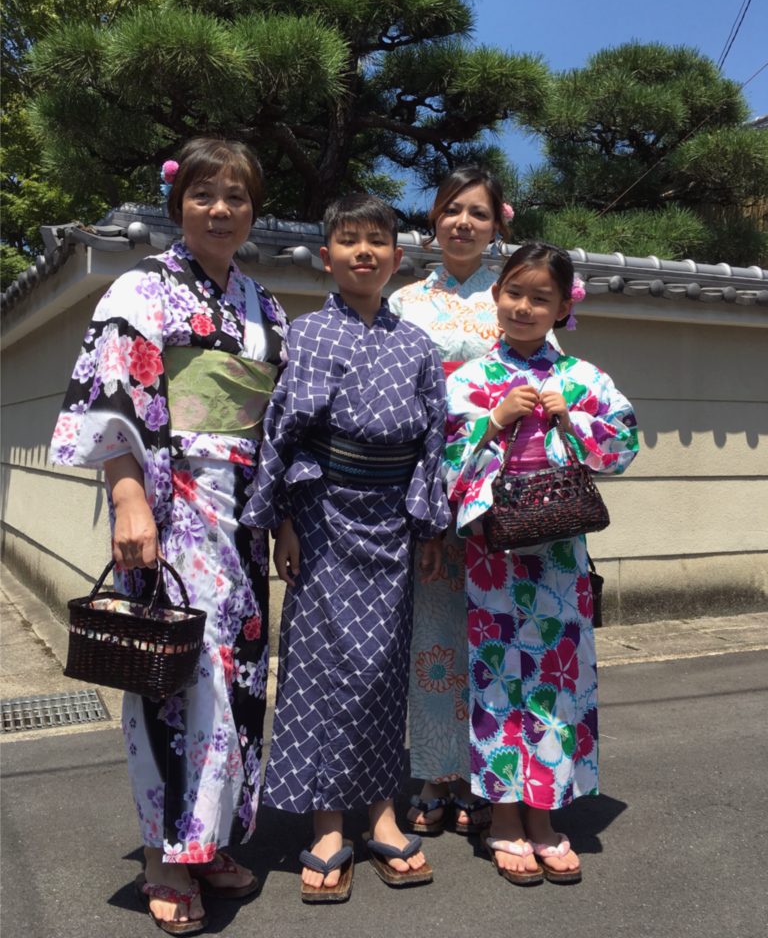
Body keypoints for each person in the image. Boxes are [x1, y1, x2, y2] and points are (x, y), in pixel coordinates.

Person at [50, 138, 289, 934]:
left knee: (239, 677)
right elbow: (113, 397)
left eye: (236, 197)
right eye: (203, 195)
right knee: (176, 676)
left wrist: (283, 515)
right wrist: (128, 499)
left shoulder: (265, 306)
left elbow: (277, 423)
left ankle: (208, 839)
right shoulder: (141, 289)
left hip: (243, 515)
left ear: (253, 210)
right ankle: (164, 854)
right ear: (177, 203)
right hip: (173, 504)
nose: (220, 210)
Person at [242, 194, 451, 902]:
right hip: (324, 518)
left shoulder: (417, 345)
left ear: (397, 257)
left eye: (377, 241)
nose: (364, 251)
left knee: (382, 670)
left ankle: (381, 811)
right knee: (320, 667)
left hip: (391, 521)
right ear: (326, 255)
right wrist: (284, 520)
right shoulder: (305, 334)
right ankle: (327, 823)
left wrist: (428, 525)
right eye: (349, 240)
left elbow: (434, 441)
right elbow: (284, 431)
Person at [443, 242, 639, 885]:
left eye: (541, 298)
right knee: (496, 680)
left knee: (556, 680)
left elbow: (624, 444)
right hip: (493, 556)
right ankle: (502, 816)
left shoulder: (585, 378)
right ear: (496, 296)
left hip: (558, 553)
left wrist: (573, 419)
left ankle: (544, 812)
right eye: (514, 293)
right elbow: (439, 462)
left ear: (562, 309)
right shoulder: (469, 380)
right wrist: (491, 422)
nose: (524, 307)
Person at [388, 167, 512, 835]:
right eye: (451, 210)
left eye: (478, 213)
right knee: (432, 632)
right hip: (425, 479)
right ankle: (436, 772)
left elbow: (543, 377)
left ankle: (486, 771)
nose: (464, 222)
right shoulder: (405, 301)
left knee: (490, 630)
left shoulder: (513, 297)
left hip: (496, 486)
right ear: (434, 221)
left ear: (497, 226)